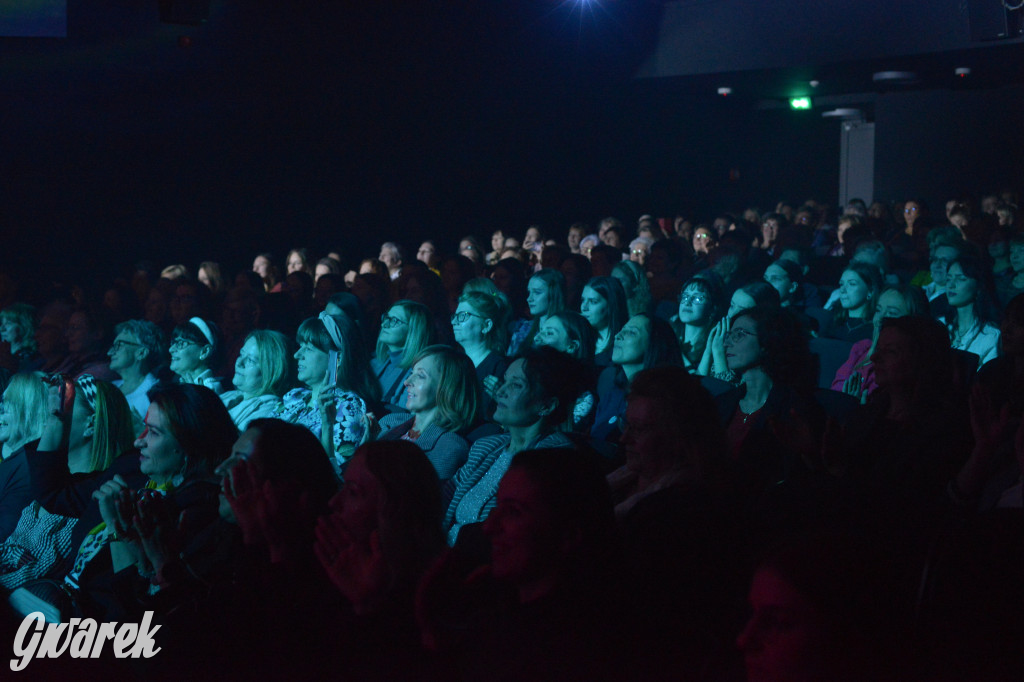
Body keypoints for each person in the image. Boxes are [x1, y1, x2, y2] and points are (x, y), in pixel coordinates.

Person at [1, 376, 136, 591]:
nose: (49, 417)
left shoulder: (88, 498)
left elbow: (35, 577)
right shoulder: (46, 485)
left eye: (64, 410)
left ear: (90, 424)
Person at [444, 346, 587, 546]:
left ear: (546, 405)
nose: (501, 391)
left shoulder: (555, 460)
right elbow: (444, 495)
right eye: (505, 380)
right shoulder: (487, 447)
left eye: (516, 385)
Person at [716, 307, 822, 493]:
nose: (727, 344)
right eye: (729, 335)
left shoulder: (794, 408)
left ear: (767, 342)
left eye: (739, 335)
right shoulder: (722, 403)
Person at [279, 313, 378, 473]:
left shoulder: (347, 407)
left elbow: (335, 473)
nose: (297, 355)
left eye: (308, 349)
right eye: (300, 346)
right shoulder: (295, 397)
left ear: (336, 359)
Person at [377, 346, 479, 482]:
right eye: (411, 373)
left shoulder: (449, 447)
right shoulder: (390, 421)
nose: (406, 382)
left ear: (446, 388)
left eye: (420, 376)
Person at [592, 314, 682, 446]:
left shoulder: (663, 400)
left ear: (654, 344)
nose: (618, 336)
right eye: (622, 330)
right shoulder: (612, 395)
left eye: (631, 332)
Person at [832, 285, 929, 401]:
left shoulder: (911, 367)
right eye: (878, 310)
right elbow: (836, 389)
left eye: (892, 313)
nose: (879, 318)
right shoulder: (861, 348)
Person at [699, 280, 781, 380]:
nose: (732, 314)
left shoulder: (754, 345)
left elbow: (728, 391)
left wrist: (718, 353)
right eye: (732, 306)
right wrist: (709, 350)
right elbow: (697, 382)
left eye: (742, 310)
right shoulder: (723, 336)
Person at [0, 372, 48, 539]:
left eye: (7, 403)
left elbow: (6, 532)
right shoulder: (16, 461)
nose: (0, 411)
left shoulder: (28, 467)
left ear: (29, 410)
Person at [219, 329, 291, 430]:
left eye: (250, 360)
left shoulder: (268, 413)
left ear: (271, 372)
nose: (239, 362)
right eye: (241, 354)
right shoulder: (230, 396)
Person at [452, 291, 509, 416]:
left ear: (486, 325)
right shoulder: (453, 362)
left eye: (462, 316)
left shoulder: (498, 367)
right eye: (455, 316)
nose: (454, 322)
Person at [373, 300, 436, 410]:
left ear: (414, 330)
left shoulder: (420, 373)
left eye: (394, 321)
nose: (384, 324)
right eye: (386, 318)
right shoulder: (374, 363)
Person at [945, 250, 1001, 369]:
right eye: (949, 278)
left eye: (961, 279)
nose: (951, 285)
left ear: (979, 286)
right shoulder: (941, 325)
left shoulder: (991, 335)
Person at [107, 319, 165, 425]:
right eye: (113, 346)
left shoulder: (155, 395)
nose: (110, 353)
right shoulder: (110, 388)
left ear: (141, 353)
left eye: (119, 345)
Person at [820, 262, 881, 343]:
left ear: (870, 291)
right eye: (841, 284)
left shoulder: (876, 329)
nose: (842, 290)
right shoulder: (834, 322)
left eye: (852, 284)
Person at [580, 276, 628, 367]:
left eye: (593, 301)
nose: (584, 307)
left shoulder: (624, 342)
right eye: (582, 300)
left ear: (611, 305)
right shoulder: (580, 338)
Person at [169, 317, 226, 394]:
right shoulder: (178, 385)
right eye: (173, 342)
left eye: (180, 343)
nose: (171, 349)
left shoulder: (211, 391)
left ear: (204, 352)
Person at [524, 268, 568, 348]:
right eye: (529, 292)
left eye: (537, 292)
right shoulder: (524, 329)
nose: (529, 299)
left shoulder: (567, 331)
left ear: (553, 294)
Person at [0, 303, 40, 372]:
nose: (2, 329)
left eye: (8, 323)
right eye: (1, 323)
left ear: (24, 325)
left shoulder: (29, 358)